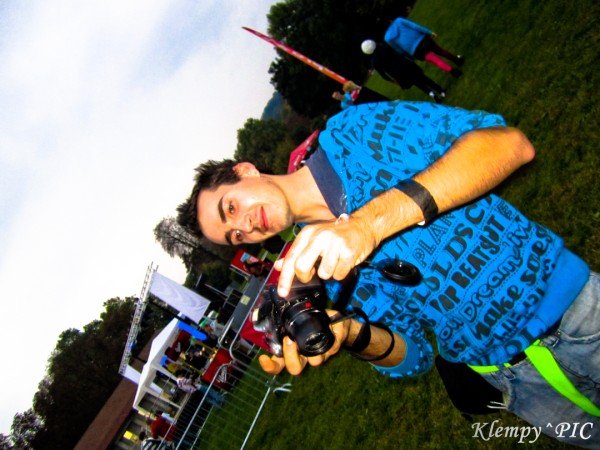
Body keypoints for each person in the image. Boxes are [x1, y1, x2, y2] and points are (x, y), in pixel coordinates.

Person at [176, 101, 598, 447]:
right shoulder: (317, 271)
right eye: (235, 235)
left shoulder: (355, 136)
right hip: (513, 380)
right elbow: (414, 355)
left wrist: (369, 224)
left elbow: (508, 144)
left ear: (246, 171)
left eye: (231, 207)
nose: (245, 225)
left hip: (578, 315)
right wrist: (350, 334)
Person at [360, 41, 446, 103]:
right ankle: (441, 91)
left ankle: (432, 94)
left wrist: (394, 81)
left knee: (418, 83)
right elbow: (399, 52)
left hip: (399, 74)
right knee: (423, 78)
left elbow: (384, 76)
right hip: (405, 64)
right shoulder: (385, 47)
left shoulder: (374, 62)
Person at [381, 16, 464, 77]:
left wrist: (409, 56)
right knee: (440, 51)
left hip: (415, 51)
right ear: (389, 20)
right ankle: (457, 60)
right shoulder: (399, 21)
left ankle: (454, 72)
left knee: (435, 60)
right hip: (423, 40)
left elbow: (398, 49)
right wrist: (429, 32)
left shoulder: (387, 38)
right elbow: (415, 26)